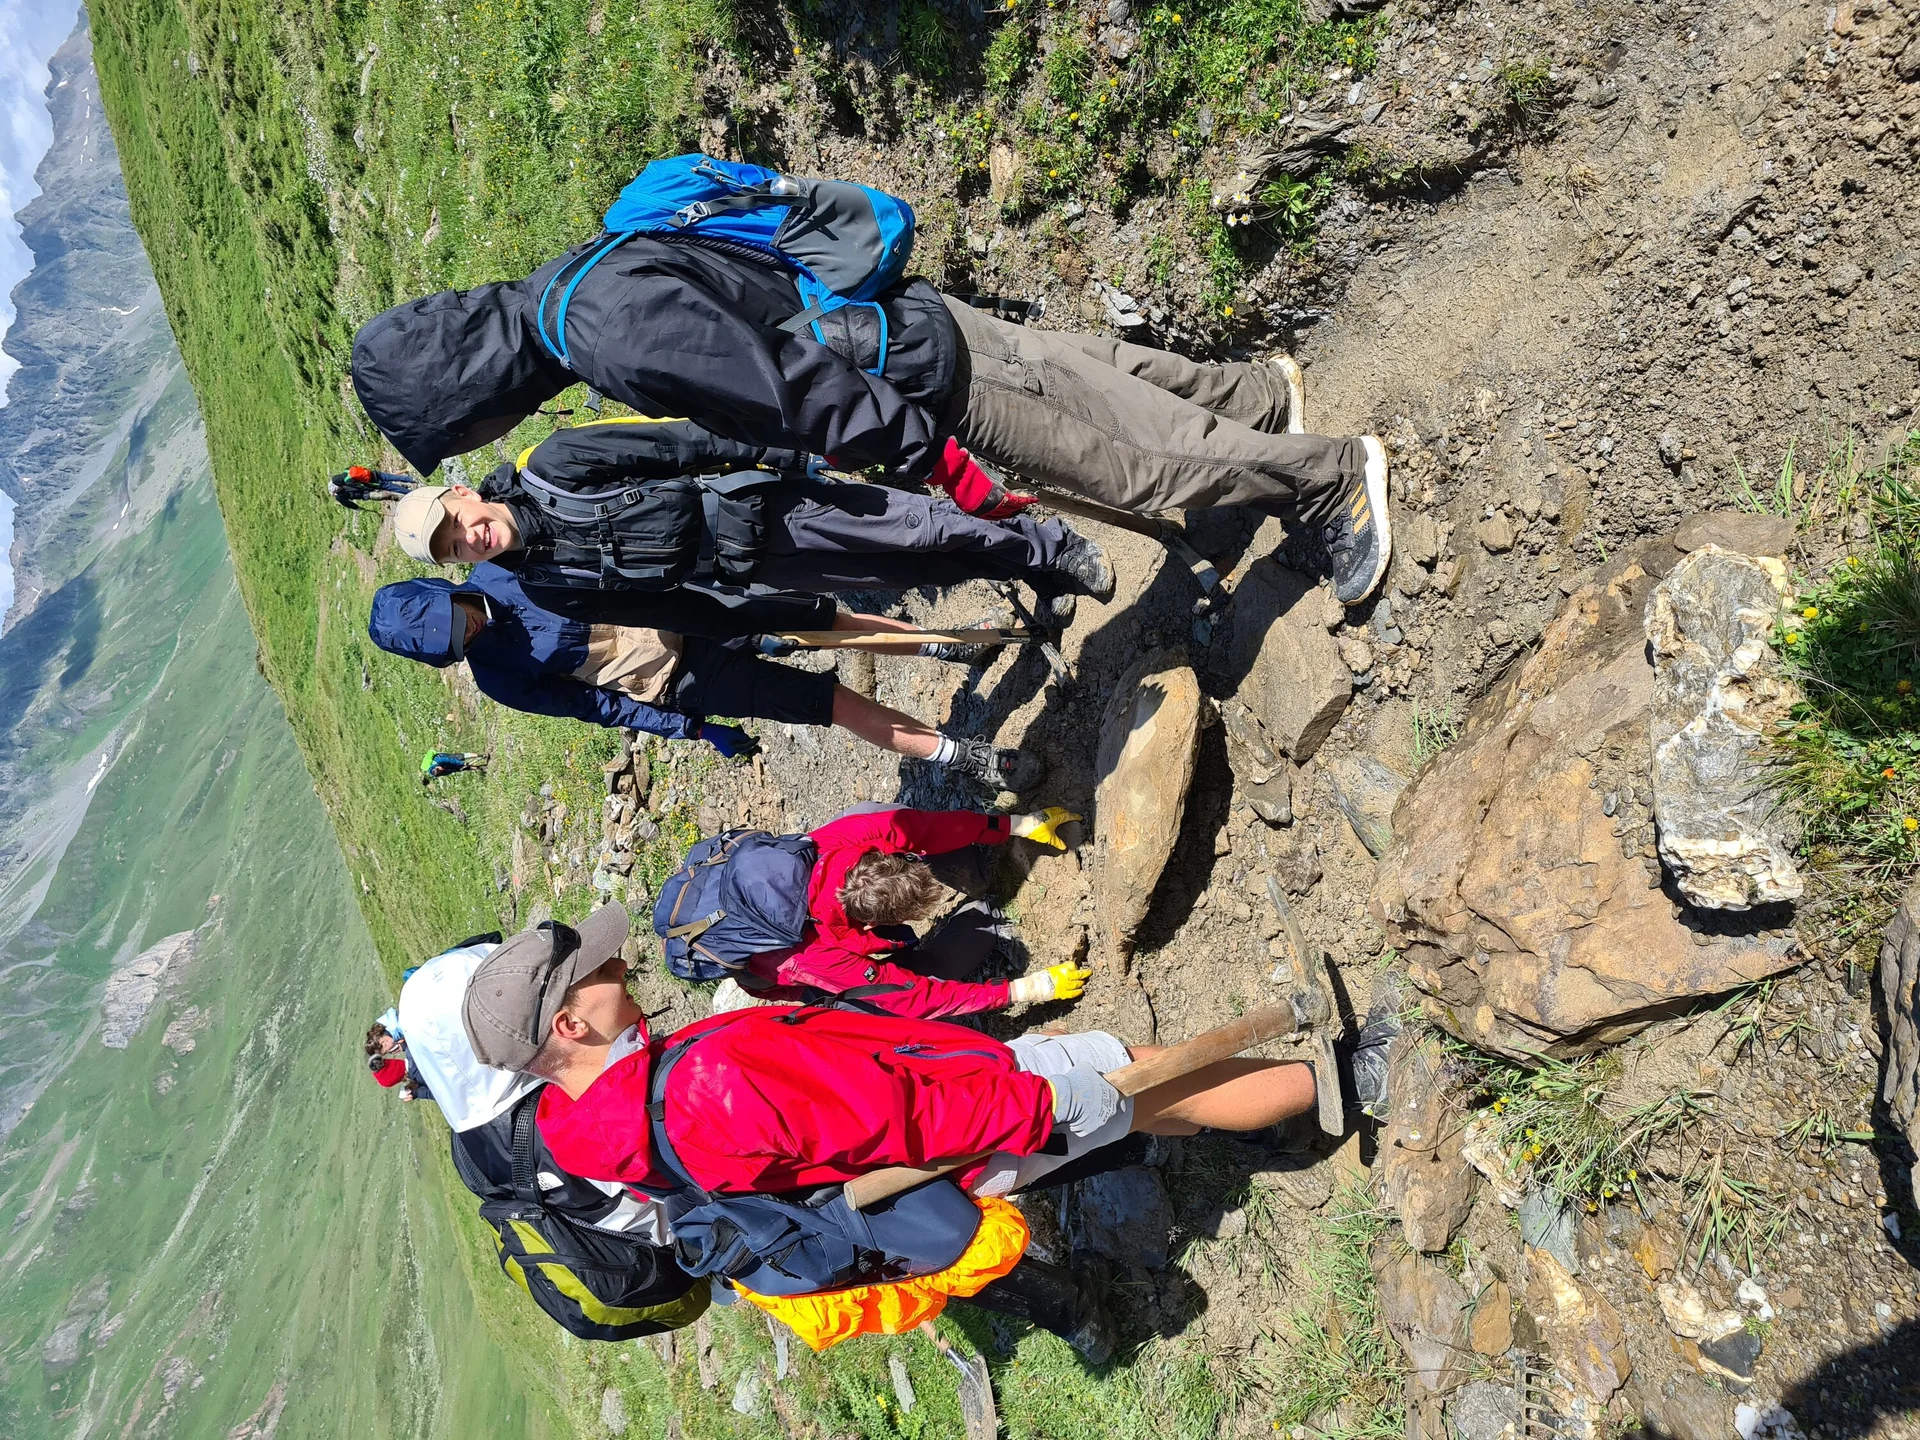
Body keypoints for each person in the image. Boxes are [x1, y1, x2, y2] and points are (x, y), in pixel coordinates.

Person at [349, 177, 1392, 605]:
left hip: (902, 377)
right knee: (1095, 368)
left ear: (465, 391)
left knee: (1128, 464)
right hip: (904, 316)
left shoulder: (600, 333)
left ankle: (1327, 481)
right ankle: (1260, 401)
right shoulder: (583, 273)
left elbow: (795, 391)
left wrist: (942, 468)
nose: (485, 433)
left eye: (459, 426)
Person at [464, 901, 1389, 1212]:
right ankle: (1345, 1081)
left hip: (953, 1122)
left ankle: (1263, 1111)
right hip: (977, 1117)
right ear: (569, 1030)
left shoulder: (597, 1129)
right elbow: (889, 1115)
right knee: (1142, 1077)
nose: (619, 964)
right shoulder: (706, 1085)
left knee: (1142, 1092)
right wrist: (1029, 1107)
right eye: (598, 972)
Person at [377, 417, 1113, 638]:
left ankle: (1054, 547)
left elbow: (678, 441)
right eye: (451, 549)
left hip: (766, 504)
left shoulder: (557, 463)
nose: (467, 539)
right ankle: (1027, 565)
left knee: (921, 529)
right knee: (910, 571)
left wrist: (789, 450)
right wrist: (751, 617)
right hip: (753, 569)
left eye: (455, 523)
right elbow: (662, 611)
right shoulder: (549, 586)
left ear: (463, 493)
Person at [368, 566, 1044, 791]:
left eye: (454, 621)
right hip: (678, 680)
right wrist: (696, 728)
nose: (467, 635)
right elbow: (601, 710)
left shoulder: (504, 567)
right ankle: (967, 756)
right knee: (828, 702)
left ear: (446, 591)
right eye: (450, 647)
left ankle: (948, 647)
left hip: (692, 605)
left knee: (831, 622)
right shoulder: (498, 677)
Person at [678, 804, 1092, 1019]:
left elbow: (923, 827)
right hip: (772, 962)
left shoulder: (843, 840)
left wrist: (1014, 825)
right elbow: (910, 997)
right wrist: (1021, 990)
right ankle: (973, 922)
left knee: (873, 809)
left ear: (883, 854)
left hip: (743, 889)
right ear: (871, 924)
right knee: (873, 998)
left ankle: (977, 875)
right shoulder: (813, 958)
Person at [420, 750, 488, 786]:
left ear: (437, 767)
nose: (442, 770)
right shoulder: (437, 774)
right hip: (445, 765)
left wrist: (462, 763)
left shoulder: (438, 760)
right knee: (462, 768)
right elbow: (448, 772)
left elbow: (451, 761)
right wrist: (457, 769)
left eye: (440, 769)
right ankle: (481, 767)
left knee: (460, 757)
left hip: (442, 757)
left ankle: (481, 755)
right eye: (441, 771)